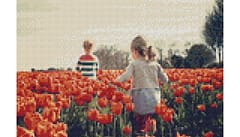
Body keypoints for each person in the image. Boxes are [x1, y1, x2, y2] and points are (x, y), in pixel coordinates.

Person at [116, 35, 169, 137]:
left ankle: (142, 134)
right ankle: (150, 133)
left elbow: (125, 77)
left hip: (141, 100)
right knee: (151, 123)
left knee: (140, 126)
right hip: (155, 100)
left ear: (135, 51)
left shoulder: (134, 64)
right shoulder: (155, 65)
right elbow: (165, 79)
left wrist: (115, 82)